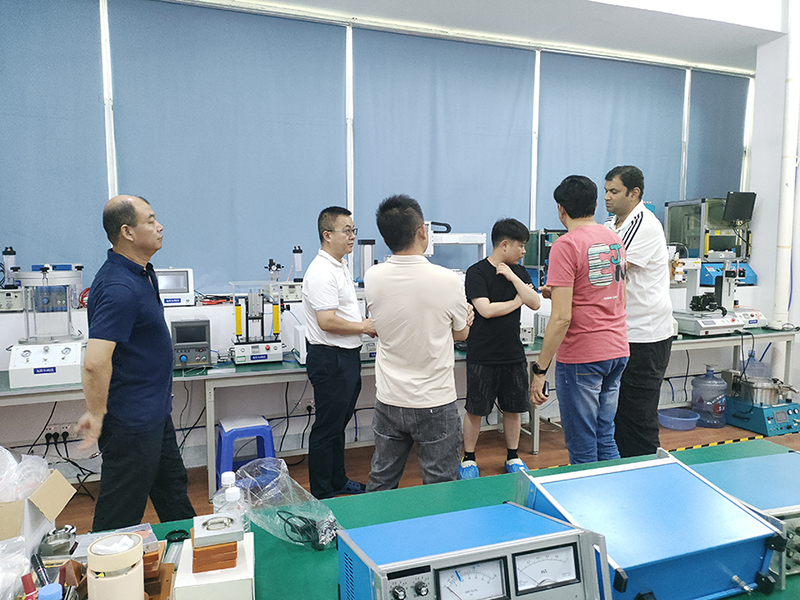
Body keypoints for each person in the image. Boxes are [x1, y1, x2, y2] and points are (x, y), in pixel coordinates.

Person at [77, 195, 195, 531]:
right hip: (132, 425)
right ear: (127, 232)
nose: (160, 227)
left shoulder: (141, 274)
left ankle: (191, 550)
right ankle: (102, 562)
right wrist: (96, 413)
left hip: (154, 416)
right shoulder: (119, 286)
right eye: (151, 220)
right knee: (120, 516)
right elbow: (95, 362)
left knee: (174, 495)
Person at [364, 195, 473, 490]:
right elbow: (461, 334)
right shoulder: (448, 280)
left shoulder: (372, 277)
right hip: (434, 400)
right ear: (422, 231)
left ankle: (372, 521)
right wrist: (464, 320)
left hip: (389, 398)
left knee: (382, 478)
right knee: (441, 483)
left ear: (385, 238)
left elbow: (392, 324)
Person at [530, 176, 629, 465]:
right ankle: (614, 490)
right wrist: (560, 292)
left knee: (582, 442)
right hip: (617, 349)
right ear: (596, 205)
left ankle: (586, 494)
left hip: (583, 356)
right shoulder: (614, 239)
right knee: (605, 434)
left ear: (561, 209)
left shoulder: (566, 245)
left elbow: (561, 318)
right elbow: (607, 290)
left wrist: (540, 370)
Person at [302, 206, 376, 499]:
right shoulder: (321, 272)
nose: (352, 236)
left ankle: (337, 480)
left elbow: (340, 312)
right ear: (327, 235)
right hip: (330, 358)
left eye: (353, 230)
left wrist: (363, 324)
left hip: (346, 357)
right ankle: (322, 493)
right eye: (346, 230)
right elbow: (327, 321)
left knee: (337, 424)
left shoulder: (339, 265)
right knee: (326, 428)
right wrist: (363, 326)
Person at [459, 218, 541, 479]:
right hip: (482, 354)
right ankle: (468, 458)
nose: (524, 251)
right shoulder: (477, 272)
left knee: (513, 409)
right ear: (504, 245)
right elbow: (486, 310)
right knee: (475, 410)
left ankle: (513, 456)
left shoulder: (520, 272)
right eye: (521, 245)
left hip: (512, 353)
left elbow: (535, 302)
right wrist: (517, 301)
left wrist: (513, 278)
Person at [604, 166, 674, 457]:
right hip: (623, 333)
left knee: (638, 416)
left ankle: (648, 471)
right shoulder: (611, 224)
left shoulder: (644, 224)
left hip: (646, 337)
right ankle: (625, 471)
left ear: (634, 193)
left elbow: (613, 269)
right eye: (606, 191)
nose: (607, 197)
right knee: (618, 414)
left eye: (614, 191)